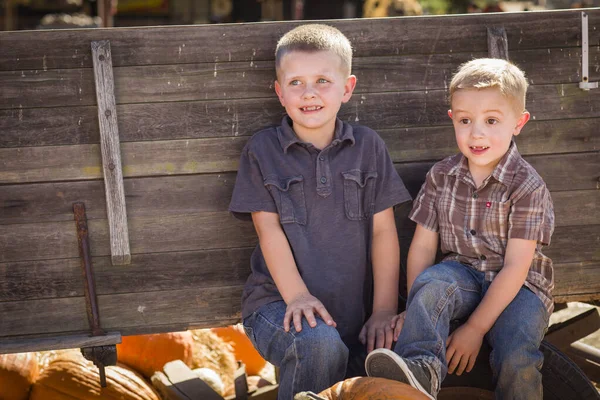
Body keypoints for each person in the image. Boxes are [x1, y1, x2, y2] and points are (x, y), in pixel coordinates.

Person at [228, 24, 412, 399]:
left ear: (347, 88)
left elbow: (383, 232)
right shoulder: (263, 150)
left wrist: (382, 309)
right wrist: (296, 296)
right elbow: (269, 232)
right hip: (277, 305)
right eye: (295, 82)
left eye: (323, 80)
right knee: (319, 344)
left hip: (356, 310)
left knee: (403, 348)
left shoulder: (367, 147)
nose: (308, 93)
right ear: (280, 93)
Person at [365, 58, 554, 400]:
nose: (477, 132)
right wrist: (417, 307)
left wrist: (475, 328)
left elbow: (516, 267)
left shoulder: (527, 186)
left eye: (491, 120)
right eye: (465, 120)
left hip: (521, 286)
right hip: (462, 276)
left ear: (519, 123)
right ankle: (420, 373)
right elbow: (423, 247)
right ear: (453, 118)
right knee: (433, 282)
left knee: (516, 350)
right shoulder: (441, 176)